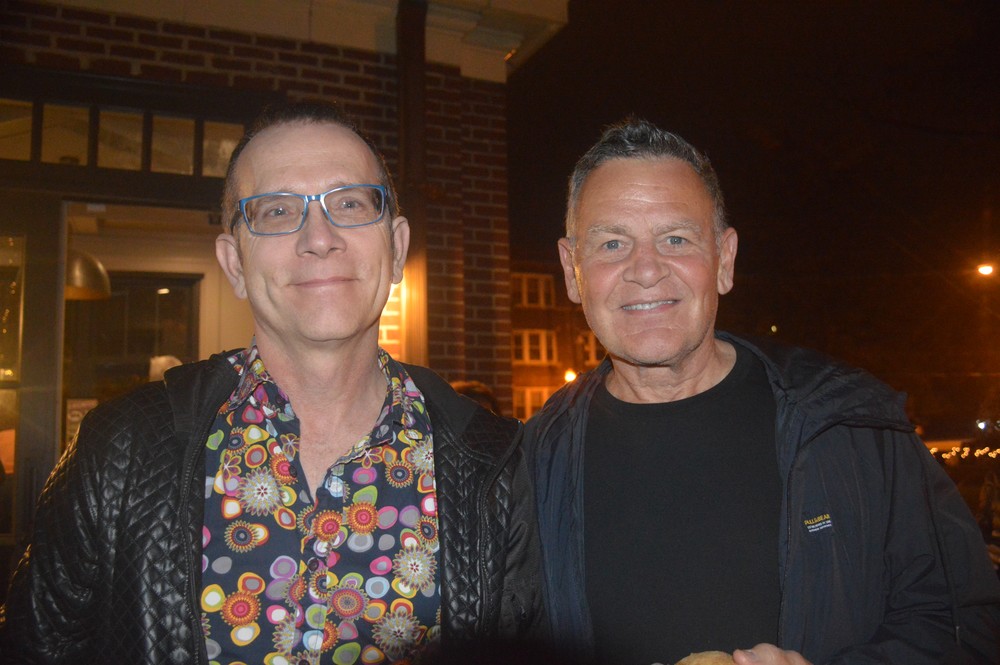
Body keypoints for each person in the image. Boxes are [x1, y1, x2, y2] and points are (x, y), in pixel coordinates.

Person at [0, 102, 544, 664]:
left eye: (350, 203)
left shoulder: (493, 466)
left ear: (398, 247)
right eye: (278, 211)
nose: (319, 238)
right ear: (235, 263)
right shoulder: (122, 450)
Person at [525, 117, 1000, 665]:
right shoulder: (531, 466)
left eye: (676, 239)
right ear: (572, 270)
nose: (646, 270)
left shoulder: (852, 427)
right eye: (612, 243)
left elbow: (966, 627)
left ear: (724, 260)